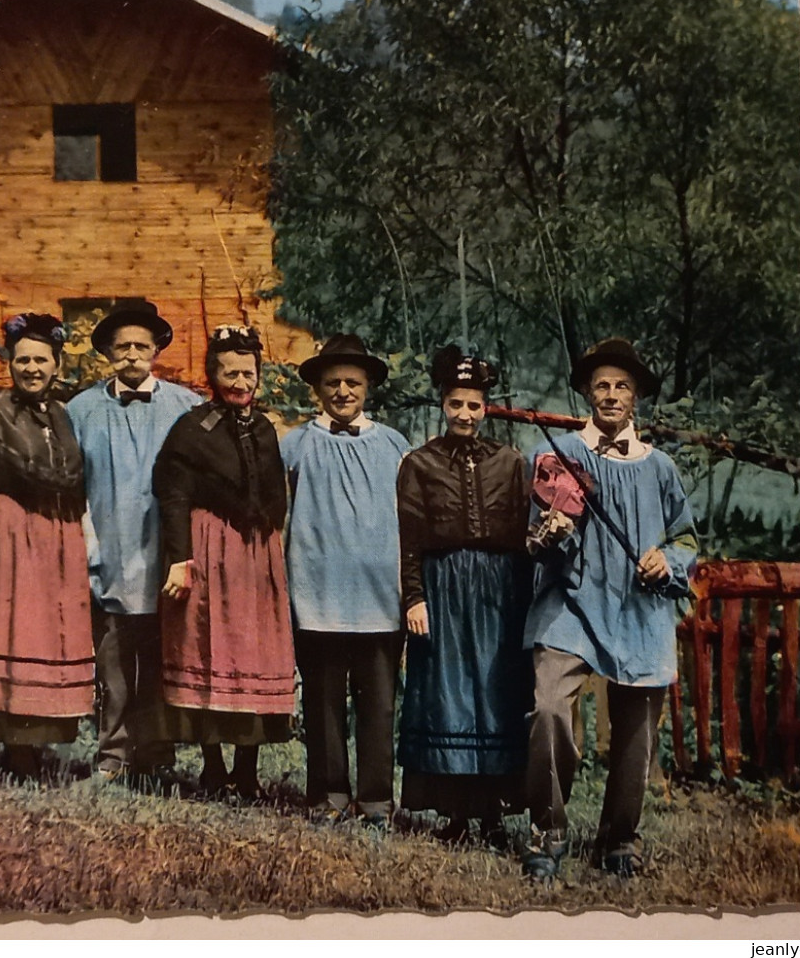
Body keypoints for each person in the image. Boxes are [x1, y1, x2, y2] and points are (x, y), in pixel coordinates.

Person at [521, 338, 698, 881]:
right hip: (571, 600)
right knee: (550, 706)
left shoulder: (660, 467)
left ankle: (620, 838)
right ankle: (547, 830)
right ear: (587, 393)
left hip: (637, 605)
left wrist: (665, 561)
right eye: (602, 384)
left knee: (636, 730)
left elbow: (688, 540)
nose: (612, 394)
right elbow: (538, 532)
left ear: (636, 396)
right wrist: (553, 533)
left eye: (622, 385)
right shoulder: (559, 457)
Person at [394, 345, 532, 843]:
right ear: (443, 404)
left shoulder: (511, 462)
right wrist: (414, 597)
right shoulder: (419, 463)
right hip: (443, 587)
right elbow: (408, 536)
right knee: (447, 697)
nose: (465, 415)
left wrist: (524, 603)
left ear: (487, 406)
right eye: (456, 404)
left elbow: (523, 538)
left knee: (496, 695)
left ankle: (494, 812)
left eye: (474, 405)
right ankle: (452, 812)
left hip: (498, 592)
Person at [152, 324, 294, 797]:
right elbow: (171, 495)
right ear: (213, 375)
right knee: (210, 648)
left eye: (248, 373)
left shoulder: (267, 427)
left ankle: (247, 772)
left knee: (251, 652)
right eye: (229, 372)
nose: (240, 382)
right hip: (209, 548)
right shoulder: (193, 428)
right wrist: (180, 557)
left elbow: (276, 494)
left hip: (255, 557)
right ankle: (213, 768)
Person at [66, 299, 201, 783]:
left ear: (156, 349)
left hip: (164, 551)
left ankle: (158, 755)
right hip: (110, 546)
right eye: (121, 346)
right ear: (107, 351)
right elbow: (71, 483)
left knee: (162, 658)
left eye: (141, 345)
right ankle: (113, 754)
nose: (131, 354)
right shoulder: (81, 409)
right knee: (115, 662)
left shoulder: (186, 407)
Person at [0, 313, 95, 778]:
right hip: (13, 534)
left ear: (56, 365)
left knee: (49, 638)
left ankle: (36, 742)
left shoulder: (61, 414)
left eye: (41, 360)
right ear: (10, 364)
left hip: (57, 539)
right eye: (23, 360)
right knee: (16, 633)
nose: (32, 368)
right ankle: (15, 750)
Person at [281, 333, 409, 824]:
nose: (342, 392)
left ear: (368, 387)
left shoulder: (394, 444)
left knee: (378, 707)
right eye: (332, 383)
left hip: (380, 598)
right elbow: (281, 514)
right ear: (318, 388)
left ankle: (376, 800)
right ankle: (328, 797)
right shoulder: (296, 445)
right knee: (323, 704)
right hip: (318, 595)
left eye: (352, 383)